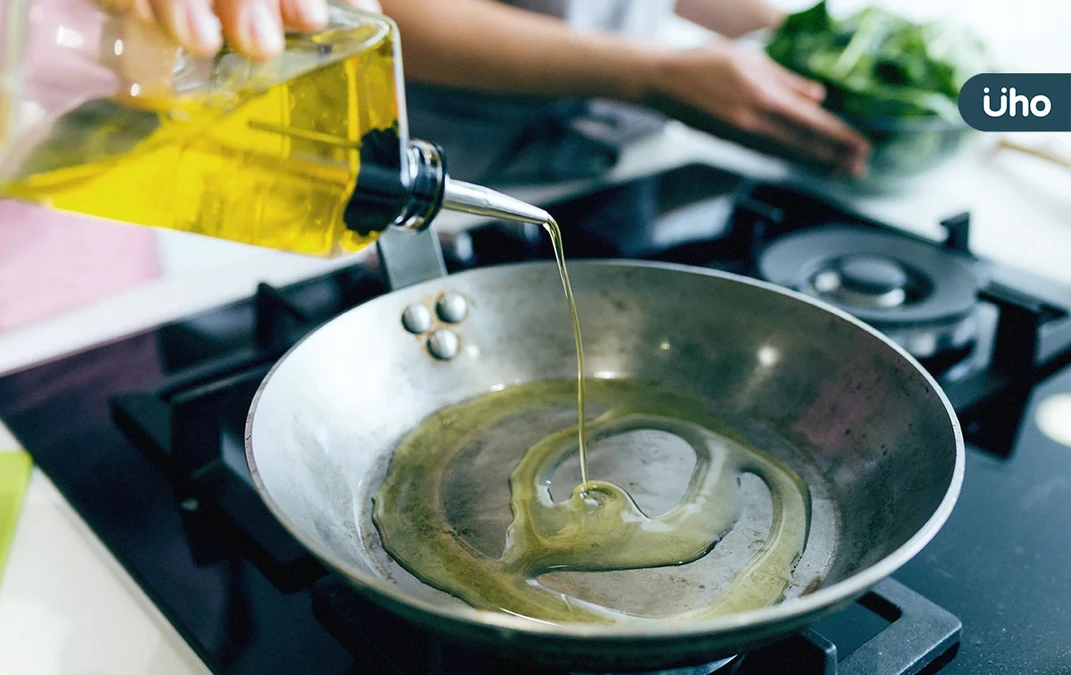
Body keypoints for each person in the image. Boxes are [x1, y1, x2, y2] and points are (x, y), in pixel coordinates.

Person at [134, 0, 870, 177]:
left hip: (606, 154)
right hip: (430, 153)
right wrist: (645, 73)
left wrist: (812, 31)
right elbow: (378, 11)